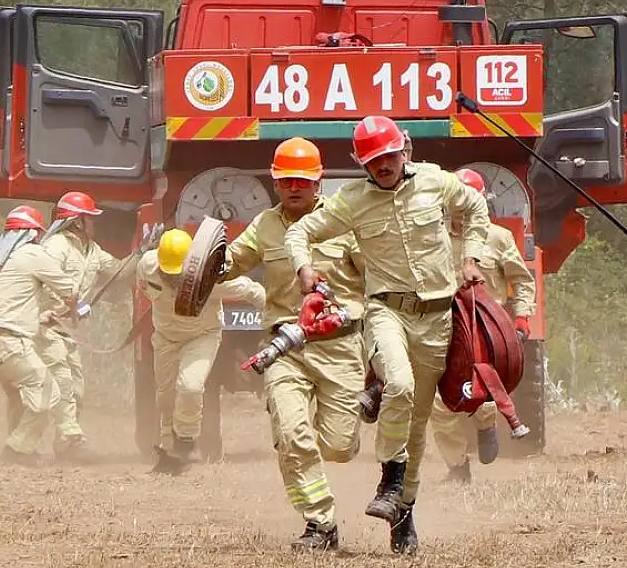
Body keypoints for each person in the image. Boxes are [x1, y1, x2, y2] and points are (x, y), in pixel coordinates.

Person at [282, 115, 490, 555]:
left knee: (416, 425)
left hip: (437, 318)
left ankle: (404, 511)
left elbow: (475, 208)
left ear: (405, 148)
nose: (383, 166)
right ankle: (389, 478)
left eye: (389, 156)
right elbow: (301, 229)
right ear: (361, 162)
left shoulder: (436, 182)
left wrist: (472, 257)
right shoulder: (351, 201)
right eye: (373, 160)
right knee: (398, 382)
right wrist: (304, 266)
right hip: (386, 313)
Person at [220, 137, 368, 551]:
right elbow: (232, 261)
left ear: (319, 180)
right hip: (284, 347)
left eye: (303, 180)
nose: (295, 187)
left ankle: (342, 441)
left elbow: (375, 277)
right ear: (274, 182)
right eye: (287, 181)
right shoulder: (264, 225)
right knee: (292, 434)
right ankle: (320, 522)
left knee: (339, 448)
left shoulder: (344, 221)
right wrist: (201, 264)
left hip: (340, 346)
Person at [428, 167, 535, 483]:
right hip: (446, 328)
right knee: (438, 403)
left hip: (487, 332)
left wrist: (521, 319)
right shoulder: (435, 240)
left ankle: (487, 423)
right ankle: (458, 467)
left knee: (483, 391)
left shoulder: (499, 238)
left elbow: (522, 281)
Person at [137, 228, 266, 474]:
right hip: (165, 337)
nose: (172, 279)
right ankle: (167, 448)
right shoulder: (147, 265)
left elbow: (251, 291)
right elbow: (143, 285)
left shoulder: (210, 281)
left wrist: (279, 317)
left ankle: (185, 441)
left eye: (178, 274)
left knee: (190, 386)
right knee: (164, 396)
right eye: (168, 273)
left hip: (201, 337)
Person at [34, 191, 126, 463]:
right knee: (62, 383)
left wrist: (143, 253)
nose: (94, 224)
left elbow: (118, 270)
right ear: (77, 221)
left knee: (77, 389)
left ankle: (57, 443)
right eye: (90, 218)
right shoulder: (55, 247)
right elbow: (41, 282)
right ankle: (71, 440)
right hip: (46, 326)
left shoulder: (92, 250)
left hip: (67, 331)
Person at [0, 204, 80, 466]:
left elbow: (6, 305)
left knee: (20, 399)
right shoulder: (31, 253)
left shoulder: (1, 262)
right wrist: (76, 308)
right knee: (47, 392)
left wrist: (41, 317)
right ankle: (16, 450)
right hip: (10, 342)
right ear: (32, 234)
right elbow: (69, 288)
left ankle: (22, 449)